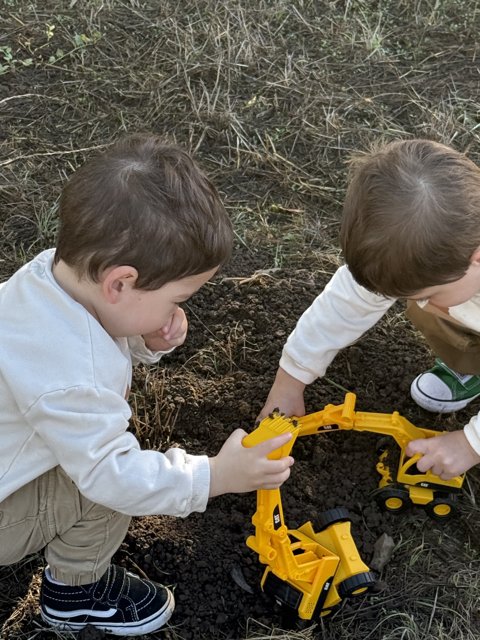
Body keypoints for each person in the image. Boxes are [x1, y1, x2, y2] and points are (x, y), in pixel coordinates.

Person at [0, 134, 294, 637]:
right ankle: (76, 594)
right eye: (178, 296)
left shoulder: (44, 280)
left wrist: (144, 341)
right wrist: (216, 475)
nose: (180, 308)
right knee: (105, 487)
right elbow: (112, 476)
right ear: (120, 283)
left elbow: (92, 340)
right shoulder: (75, 377)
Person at [261, 138, 480, 482]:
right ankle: (471, 367)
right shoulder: (429, 255)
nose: (420, 304)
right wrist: (290, 381)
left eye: (428, 292)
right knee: (442, 309)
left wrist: (470, 444)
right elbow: (344, 306)